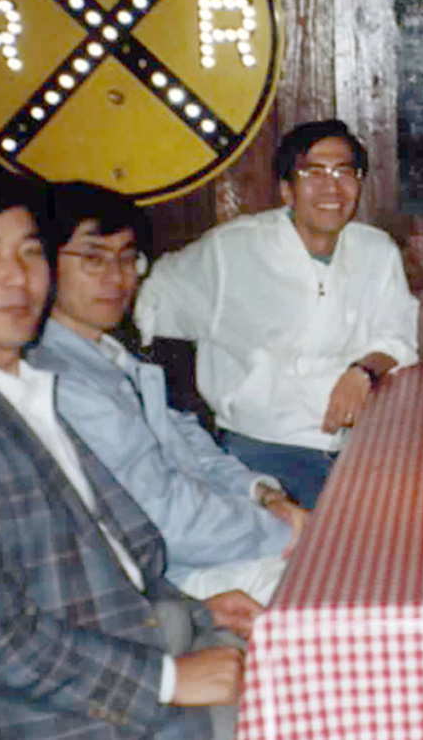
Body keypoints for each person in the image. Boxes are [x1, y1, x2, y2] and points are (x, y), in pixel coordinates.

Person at [0, 165, 259, 739]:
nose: (17, 277)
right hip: (75, 719)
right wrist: (167, 681)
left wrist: (202, 610)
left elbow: (116, 555)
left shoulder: (22, 388)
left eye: (30, 252)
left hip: (143, 648)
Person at [28, 182, 310, 604]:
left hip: (216, 550)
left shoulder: (112, 357)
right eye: (93, 258)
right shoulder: (60, 379)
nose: (117, 277)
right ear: (45, 265)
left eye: (127, 258)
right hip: (165, 581)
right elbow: (164, 520)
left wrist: (263, 494)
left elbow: (194, 449)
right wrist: (284, 532)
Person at [134, 120, 419, 508]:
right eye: (313, 173)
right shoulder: (232, 250)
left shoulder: (376, 251)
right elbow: (149, 295)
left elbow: (398, 336)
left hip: (359, 443)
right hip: (263, 450)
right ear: (287, 189)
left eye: (344, 172)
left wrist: (363, 371)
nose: (332, 187)